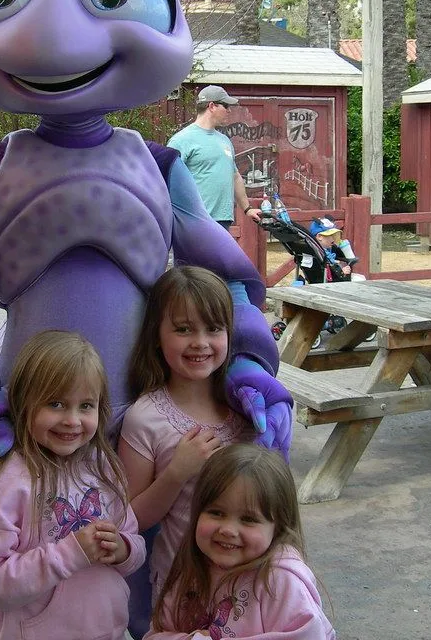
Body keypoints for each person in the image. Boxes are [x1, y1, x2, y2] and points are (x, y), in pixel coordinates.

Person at [121, 266, 280, 636]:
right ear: (156, 336)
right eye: (183, 329)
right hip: (184, 588)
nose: (200, 342)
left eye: (213, 328)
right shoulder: (145, 418)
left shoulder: (246, 408)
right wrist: (177, 473)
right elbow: (132, 520)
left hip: (252, 582)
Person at [0, 330, 145, 640]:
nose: (73, 420)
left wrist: (123, 549)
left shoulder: (104, 468)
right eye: (56, 404)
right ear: (23, 402)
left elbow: (134, 540)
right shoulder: (8, 482)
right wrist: (71, 554)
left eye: (86, 406)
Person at [148, 443, 335, 640]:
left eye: (248, 519)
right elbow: (156, 634)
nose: (227, 530)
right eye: (216, 513)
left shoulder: (280, 579)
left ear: (278, 526)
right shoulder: (192, 567)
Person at [167, 85, 261, 230]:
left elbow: (235, 176)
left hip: (223, 220)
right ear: (212, 106)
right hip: (195, 222)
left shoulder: (225, 140)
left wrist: (247, 209)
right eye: (226, 106)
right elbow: (167, 179)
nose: (229, 111)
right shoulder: (181, 140)